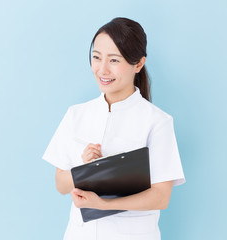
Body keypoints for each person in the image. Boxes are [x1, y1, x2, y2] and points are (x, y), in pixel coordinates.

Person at [42, 17, 185, 240]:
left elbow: (161, 196)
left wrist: (104, 204)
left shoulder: (157, 121)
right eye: (96, 57)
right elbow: (60, 183)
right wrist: (83, 168)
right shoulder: (76, 114)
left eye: (114, 60)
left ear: (138, 64)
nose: (102, 69)